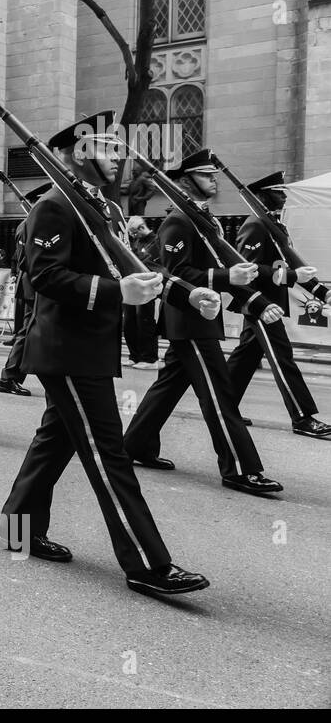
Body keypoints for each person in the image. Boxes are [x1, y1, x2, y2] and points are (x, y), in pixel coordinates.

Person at [0, 112, 214, 596]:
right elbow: (45, 277)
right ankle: (147, 565)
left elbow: (140, 267)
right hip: (66, 351)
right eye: (107, 148)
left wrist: (185, 294)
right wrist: (117, 293)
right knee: (106, 453)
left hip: (89, 349)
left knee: (56, 442)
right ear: (79, 154)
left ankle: (16, 530)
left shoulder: (107, 210)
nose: (118, 157)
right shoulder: (53, 206)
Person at [122, 148, 285, 496]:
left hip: (198, 320)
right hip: (191, 319)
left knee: (167, 389)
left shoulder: (198, 219)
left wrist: (250, 296)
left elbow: (219, 270)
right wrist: (227, 277)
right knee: (219, 394)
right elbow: (178, 274)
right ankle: (240, 469)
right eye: (206, 175)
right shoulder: (178, 221)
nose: (213, 180)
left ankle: (134, 445)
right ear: (184, 181)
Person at [225, 171, 331, 439]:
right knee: (283, 359)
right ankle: (302, 417)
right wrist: (257, 302)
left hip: (269, 304)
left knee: (244, 359)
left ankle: (223, 407)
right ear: (261, 196)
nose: (284, 197)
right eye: (278, 192)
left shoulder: (273, 225)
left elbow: (291, 264)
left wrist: (321, 291)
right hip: (261, 305)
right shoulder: (255, 226)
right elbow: (247, 270)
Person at [0, 183, 51, 396]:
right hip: (34, 285)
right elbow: (25, 261)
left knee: (32, 332)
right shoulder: (30, 225)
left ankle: (16, 376)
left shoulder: (35, 223)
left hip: (35, 285)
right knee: (27, 332)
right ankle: (9, 377)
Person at [123, 215, 161, 369]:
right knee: (129, 321)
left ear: (140, 228)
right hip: (135, 284)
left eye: (134, 232)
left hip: (147, 286)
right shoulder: (137, 242)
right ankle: (135, 355)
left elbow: (152, 263)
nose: (133, 236)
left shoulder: (155, 241)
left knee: (144, 320)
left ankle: (149, 358)